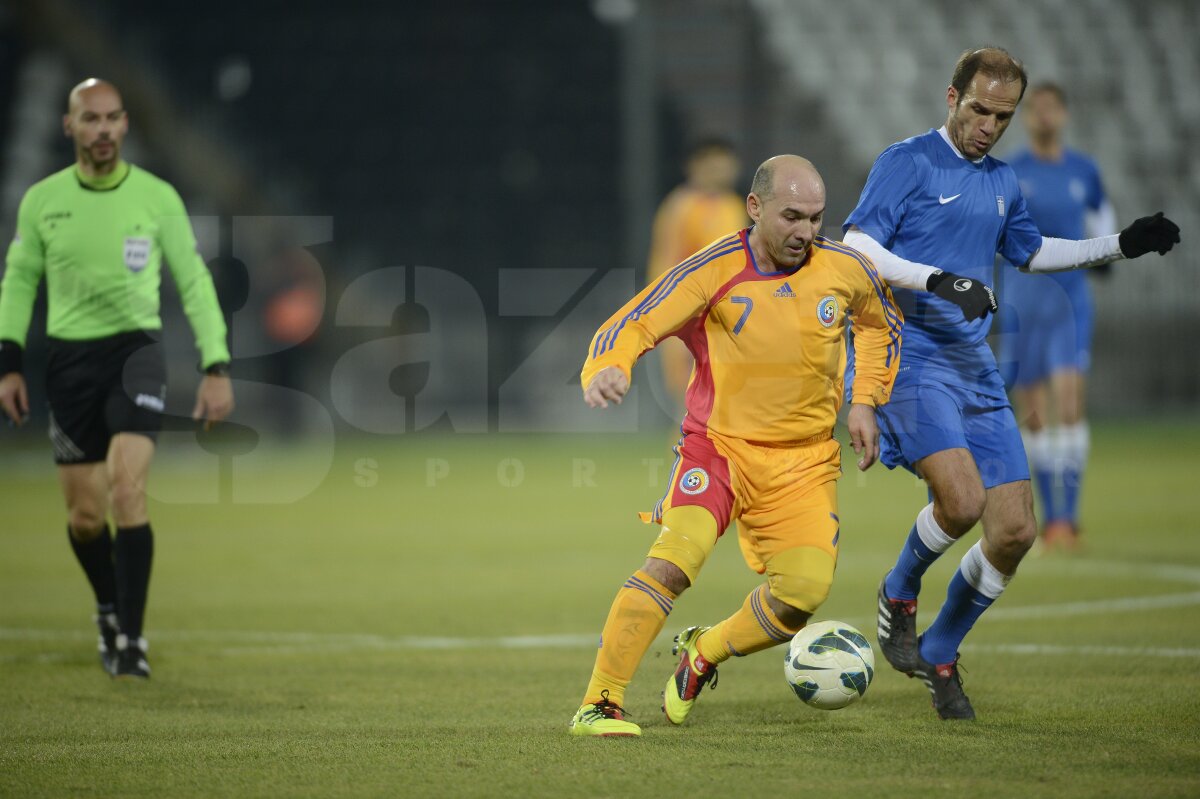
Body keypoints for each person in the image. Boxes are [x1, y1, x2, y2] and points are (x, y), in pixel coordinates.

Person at [840, 48, 1180, 719]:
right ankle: (900, 591)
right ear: (951, 97)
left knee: (1016, 530)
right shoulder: (905, 162)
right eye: (978, 109)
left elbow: (1032, 251)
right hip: (908, 355)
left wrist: (1119, 244)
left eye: (1003, 115)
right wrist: (940, 280)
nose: (989, 125)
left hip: (973, 364)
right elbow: (857, 247)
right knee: (962, 500)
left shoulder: (1003, 182)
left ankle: (940, 648)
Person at [568, 155, 902, 737]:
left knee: (802, 594)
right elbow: (638, 319)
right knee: (675, 560)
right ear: (755, 208)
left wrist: (867, 400)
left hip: (805, 462)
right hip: (718, 449)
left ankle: (705, 652)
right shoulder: (715, 266)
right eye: (791, 216)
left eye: (816, 218)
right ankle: (600, 702)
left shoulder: (846, 268)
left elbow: (881, 325)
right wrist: (609, 365)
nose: (805, 232)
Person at [0, 79, 234, 679]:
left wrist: (216, 364)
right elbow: (19, 280)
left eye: (112, 119)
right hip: (70, 362)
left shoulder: (157, 198)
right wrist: (8, 361)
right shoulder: (42, 201)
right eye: (90, 119)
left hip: (137, 353)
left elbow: (194, 281)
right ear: (69, 127)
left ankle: (131, 640)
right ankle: (107, 607)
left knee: (128, 490)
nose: (102, 129)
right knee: (84, 517)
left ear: (126, 125)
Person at [995, 82, 1116, 550]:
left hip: (1071, 301)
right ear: (1027, 118)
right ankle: (1052, 520)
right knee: (1037, 414)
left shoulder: (1084, 171)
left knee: (1069, 403)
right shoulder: (1011, 171)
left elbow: (1103, 218)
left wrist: (1105, 255)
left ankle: (1069, 514)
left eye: (1051, 109)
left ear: (1063, 115)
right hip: (1026, 302)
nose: (1044, 116)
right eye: (1036, 109)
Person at [645, 138, 748, 408]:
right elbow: (666, 261)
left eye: (726, 163)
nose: (723, 169)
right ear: (695, 166)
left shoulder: (734, 206)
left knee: (723, 396)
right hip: (689, 311)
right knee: (689, 396)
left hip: (726, 310)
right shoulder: (681, 206)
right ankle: (684, 449)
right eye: (713, 163)